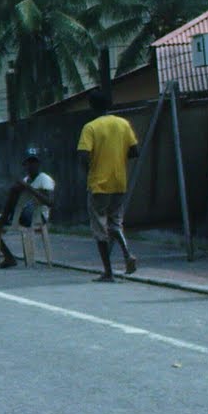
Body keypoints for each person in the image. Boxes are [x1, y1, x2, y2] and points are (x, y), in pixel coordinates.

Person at [76, 91, 140, 281]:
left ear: (92, 106)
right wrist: (118, 159)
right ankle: (127, 253)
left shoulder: (90, 127)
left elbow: (83, 155)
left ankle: (108, 271)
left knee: (100, 227)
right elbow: (134, 151)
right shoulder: (123, 124)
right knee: (115, 222)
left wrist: (90, 169)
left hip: (98, 184)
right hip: (120, 181)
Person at [0, 148, 56, 268]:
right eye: (29, 162)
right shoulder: (25, 180)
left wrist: (28, 188)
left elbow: (50, 202)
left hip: (37, 216)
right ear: (24, 165)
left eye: (34, 162)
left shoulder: (44, 179)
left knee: (15, 191)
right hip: (20, 214)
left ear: (38, 163)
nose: (32, 165)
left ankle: (3, 220)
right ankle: (9, 257)